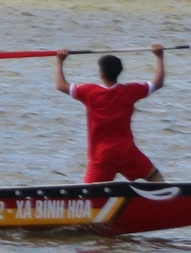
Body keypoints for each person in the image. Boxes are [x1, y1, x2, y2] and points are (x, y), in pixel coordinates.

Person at [54, 45, 167, 182]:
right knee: (156, 178)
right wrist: (159, 56)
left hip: (101, 157)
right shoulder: (130, 91)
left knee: (88, 196)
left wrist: (60, 60)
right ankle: (169, 201)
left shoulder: (89, 91)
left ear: (101, 73)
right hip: (127, 153)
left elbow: (61, 85)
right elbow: (158, 83)